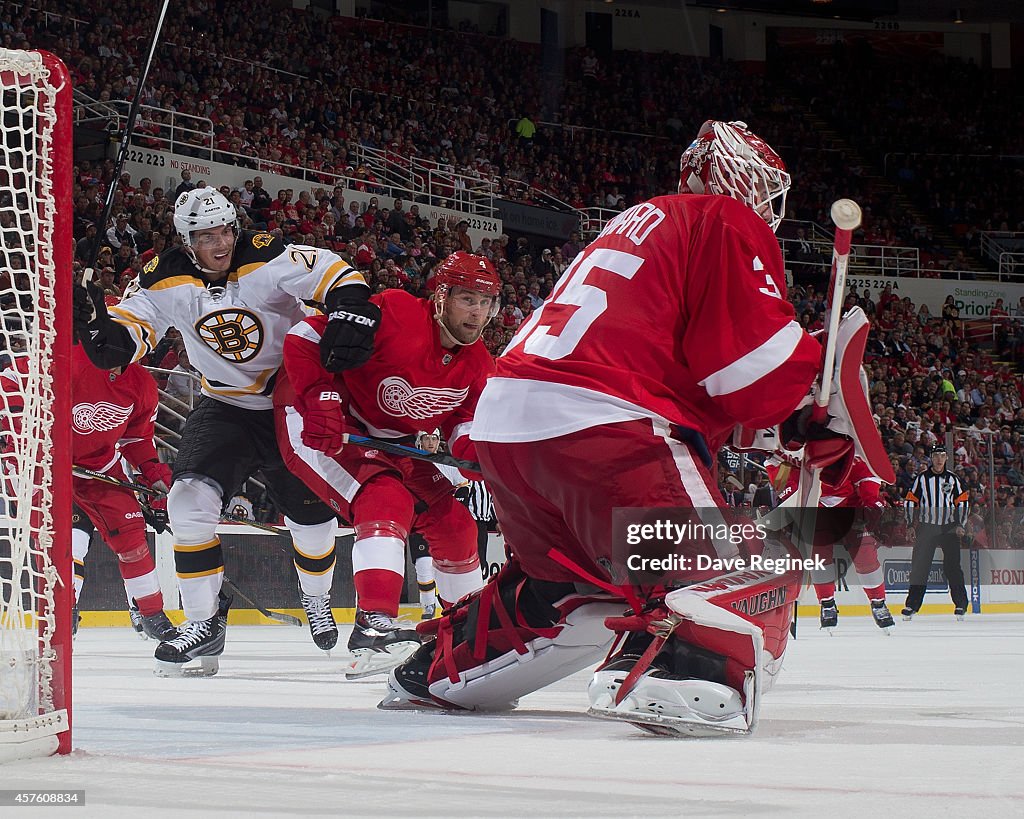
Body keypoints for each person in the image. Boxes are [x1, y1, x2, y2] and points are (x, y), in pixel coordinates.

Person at [382, 121, 889, 736]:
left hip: (508, 422)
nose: (768, 209)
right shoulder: (723, 219)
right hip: (602, 423)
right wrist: (811, 394)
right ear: (744, 182)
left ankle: (436, 672)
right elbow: (747, 369)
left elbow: (690, 376)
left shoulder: (638, 222)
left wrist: (784, 420)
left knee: (573, 587)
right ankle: (677, 673)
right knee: (740, 563)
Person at [72, 187, 379, 675]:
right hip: (225, 406)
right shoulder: (159, 276)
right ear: (186, 239)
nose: (220, 243)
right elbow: (125, 340)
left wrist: (351, 307)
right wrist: (97, 328)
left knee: (314, 523)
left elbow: (338, 274)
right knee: (186, 501)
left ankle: (316, 595)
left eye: (226, 232)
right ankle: (203, 622)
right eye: (206, 236)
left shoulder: (268, 254)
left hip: (288, 403)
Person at [273, 251, 496, 679]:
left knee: (456, 525)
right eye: (468, 299)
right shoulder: (395, 312)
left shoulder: (479, 363)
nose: (478, 312)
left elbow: (462, 420)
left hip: (391, 439)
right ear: (441, 297)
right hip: (320, 421)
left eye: (486, 303)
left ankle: (463, 634)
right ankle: (372, 626)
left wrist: (473, 452)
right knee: (384, 498)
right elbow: (303, 336)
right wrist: (320, 396)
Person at [767, 454, 896, 632]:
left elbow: (864, 471)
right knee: (818, 555)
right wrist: (796, 501)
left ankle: (878, 602)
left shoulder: (844, 437)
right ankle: (827, 603)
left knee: (864, 552)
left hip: (851, 505)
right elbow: (782, 480)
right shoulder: (784, 450)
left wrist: (871, 502)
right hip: (815, 505)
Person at [902, 445, 970, 620]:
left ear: (946, 458)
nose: (939, 459)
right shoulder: (921, 479)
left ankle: (961, 604)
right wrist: (910, 524)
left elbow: (962, 502)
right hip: (927, 527)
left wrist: (961, 524)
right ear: (931, 458)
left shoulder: (953, 479)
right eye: (936, 455)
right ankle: (912, 605)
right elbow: (910, 501)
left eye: (942, 455)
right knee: (919, 566)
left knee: (953, 567)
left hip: (949, 527)